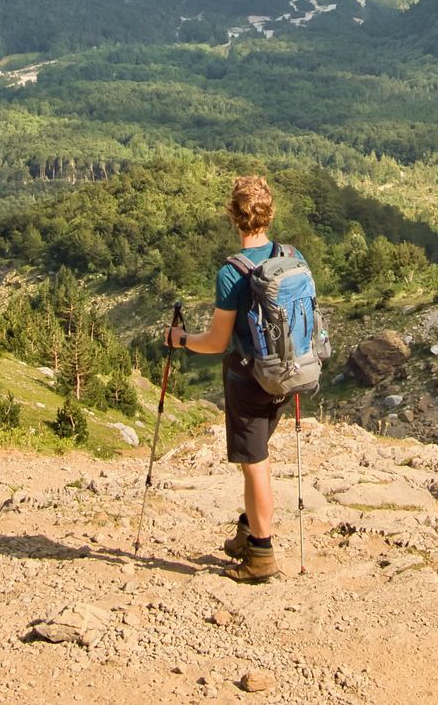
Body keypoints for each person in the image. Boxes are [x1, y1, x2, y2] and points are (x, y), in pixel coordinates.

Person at [164, 174, 288, 583]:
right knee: (257, 456)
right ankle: (249, 530)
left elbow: (217, 341)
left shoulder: (232, 273)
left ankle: (261, 555)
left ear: (233, 216)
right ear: (268, 214)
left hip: (249, 378)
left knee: (255, 465)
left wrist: (181, 340)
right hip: (287, 373)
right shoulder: (292, 256)